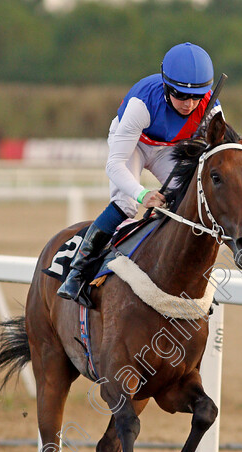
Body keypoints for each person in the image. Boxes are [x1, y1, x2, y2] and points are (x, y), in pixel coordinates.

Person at [57, 42, 221, 303]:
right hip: (134, 144)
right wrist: (143, 194)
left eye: (196, 97)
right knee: (126, 204)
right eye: (180, 95)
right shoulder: (142, 103)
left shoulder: (211, 108)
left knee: (186, 198)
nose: (189, 104)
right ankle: (77, 272)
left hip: (170, 148)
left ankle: (190, 278)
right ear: (167, 87)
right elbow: (114, 165)